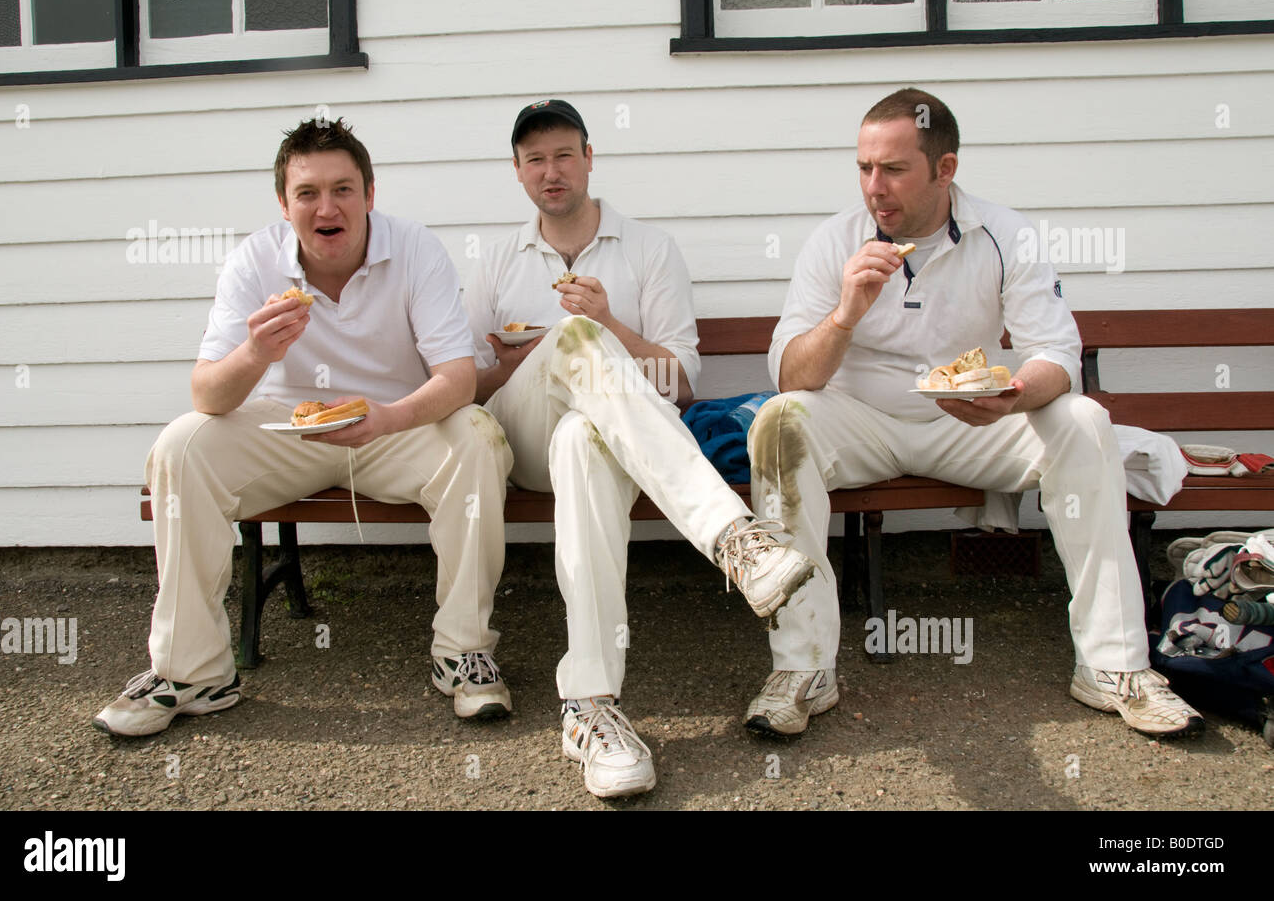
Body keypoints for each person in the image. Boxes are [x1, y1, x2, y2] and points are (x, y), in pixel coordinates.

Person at [746, 88, 1202, 739]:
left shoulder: (1004, 232)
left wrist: (1013, 394)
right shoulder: (834, 241)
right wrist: (847, 310)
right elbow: (791, 375)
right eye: (864, 168)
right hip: (861, 423)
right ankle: (803, 668)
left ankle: (1113, 666)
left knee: (1083, 422)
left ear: (945, 169)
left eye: (895, 169)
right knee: (780, 421)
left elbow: (1057, 353)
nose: (875, 187)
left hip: (969, 423)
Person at [94, 118, 514, 736]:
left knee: (477, 433)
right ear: (284, 206)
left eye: (343, 189)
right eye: (308, 193)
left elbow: (455, 377)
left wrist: (388, 418)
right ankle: (192, 671)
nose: (327, 207)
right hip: (288, 431)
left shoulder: (416, 248)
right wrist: (255, 354)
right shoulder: (255, 260)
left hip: (393, 425)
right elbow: (207, 392)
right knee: (181, 444)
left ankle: (463, 652)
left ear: (370, 195)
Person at [464, 99, 816, 797]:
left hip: (619, 445)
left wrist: (608, 327)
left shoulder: (650, 249)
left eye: (564, 154)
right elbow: (470, 383)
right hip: (519, 434)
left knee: (581, 440)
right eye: (534, 159)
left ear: (590, 158)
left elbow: (679, 383)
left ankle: (589, 705)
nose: (551, 170)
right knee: (568, 354)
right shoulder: (496, 259)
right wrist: (541, 353)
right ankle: (736, 539)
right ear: (517, 172)